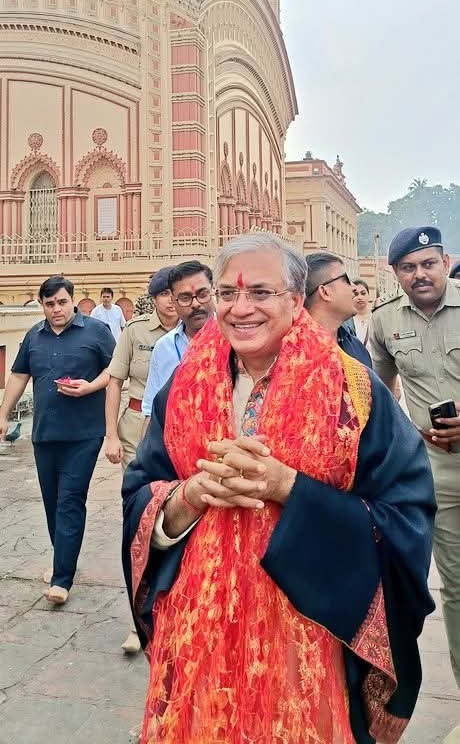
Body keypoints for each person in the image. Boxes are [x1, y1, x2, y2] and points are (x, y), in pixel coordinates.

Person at [123, 232, 435, 744]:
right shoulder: (183, 388)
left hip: (307, 640)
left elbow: (406, 513)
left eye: (260, 293)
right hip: (198, 634)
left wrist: (288, 486)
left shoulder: (353, 391)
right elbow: (139, 490)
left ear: (295, 300)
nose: (240, 308)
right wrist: (192, 495)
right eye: (228, 293)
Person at [369, 226, 460, 719]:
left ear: (445, 262)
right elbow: (380, 393)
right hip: (437, 473)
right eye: (408, 267)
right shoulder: (384, 320)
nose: (420, 274)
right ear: (396, 273)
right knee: (457, 588)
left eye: (428, 263)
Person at [0, 276, 114, 606]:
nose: (56, 309)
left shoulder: (96, 332)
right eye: (49, 304)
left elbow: (114, 371)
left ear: (72, 300)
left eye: (62, 302)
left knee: (69, 500)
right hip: (45, 433)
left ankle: (62, 579)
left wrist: (90, 387)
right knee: (52, 503)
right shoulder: (34, 336)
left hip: (85, 433)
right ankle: (63, 558)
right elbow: (19, 375)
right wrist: (3, 414)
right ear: (42, 305)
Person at [105, 266, 178, 654]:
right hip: (138, 432)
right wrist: (111, 435)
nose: (172, 301)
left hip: (185, 435)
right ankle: (139, 621)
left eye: (177, 293)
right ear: (154, 298)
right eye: (164, 294)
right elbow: (115, 381)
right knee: (140, 522)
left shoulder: (206, 331)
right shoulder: (135, 331)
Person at [141, 261, 215, 419]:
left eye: (203, 295)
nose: (195, 304)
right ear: (174, 302)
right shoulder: (164, 347)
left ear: (214, 292)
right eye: (185, 298)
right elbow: (151, 411)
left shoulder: (235, 340)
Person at [304, 251, 372, 367]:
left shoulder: (356, 348)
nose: (354, 288)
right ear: (325, 292)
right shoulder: (292, 354)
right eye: (346, 280)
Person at [349, 279, 372, 345]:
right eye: (356, 294)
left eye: (363, 293)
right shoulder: (346, 321)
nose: (360, 297)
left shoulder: (375, 317)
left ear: (368, 295)